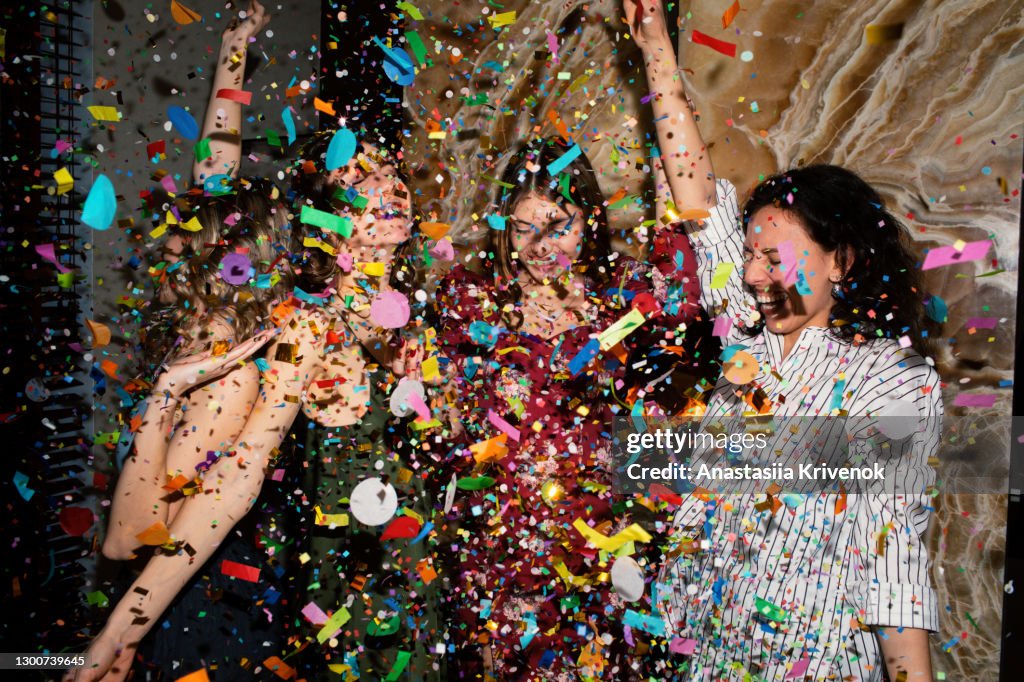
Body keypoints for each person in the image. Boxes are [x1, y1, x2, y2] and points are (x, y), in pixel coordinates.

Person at [627, 2, 943, 679]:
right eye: (748, 255)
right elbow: (696, 196)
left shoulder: (891, 381)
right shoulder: (749, 329)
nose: (750, 274)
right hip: (709, 656)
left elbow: (894, 563)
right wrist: (656, 48)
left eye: (775, 258)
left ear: (841, 262)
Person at [433, 4, 722, 675]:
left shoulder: (621, 299)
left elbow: (685, 255)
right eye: (523, 227)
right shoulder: (474, 303)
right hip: (499, 560)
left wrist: (657, 59)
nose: (539, 246)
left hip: (600, 557)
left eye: (557, 224)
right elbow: (445, 426)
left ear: (589, 221)